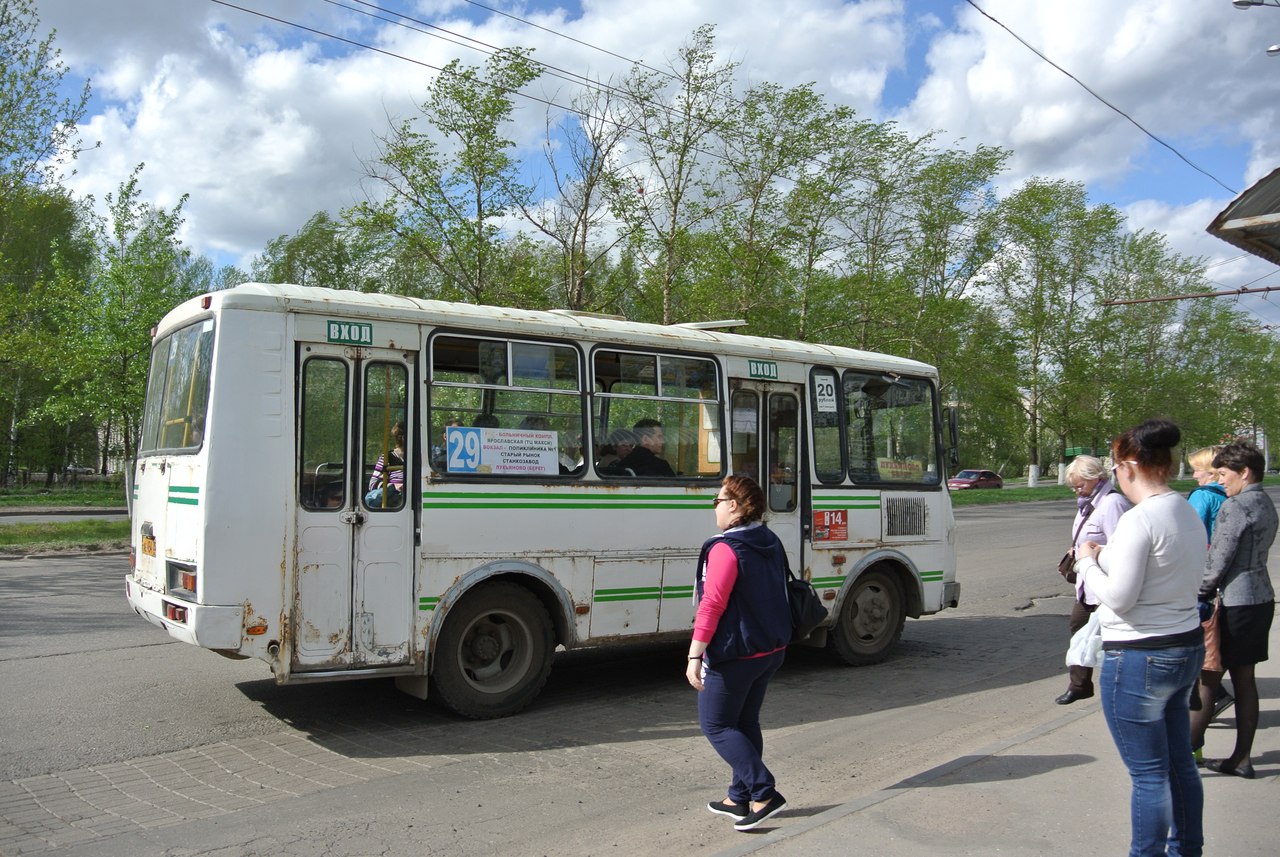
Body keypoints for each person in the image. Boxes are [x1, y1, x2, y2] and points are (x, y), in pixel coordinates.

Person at [1074, 418, 1206, 857]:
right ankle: (1186, 848)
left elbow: (1120, 597)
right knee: (1179, 764)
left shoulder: (1139, 519)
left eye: (1114, 469)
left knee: (1149, 776)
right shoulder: (1183, 508)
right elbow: (1165, 568)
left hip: (1137, 656)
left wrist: (1086, 563)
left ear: (1129, 466)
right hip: (1183, 646)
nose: (1116, 477)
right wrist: (1105, 554)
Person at [686, 475, 791, 832]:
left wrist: (694, 656)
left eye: (717, 500)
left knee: (715, 724)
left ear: (733, 506)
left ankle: (764, 792)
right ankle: (738, 797)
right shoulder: (768, 539)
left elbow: (712, 604)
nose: (713, 507)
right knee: (745, 722)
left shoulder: (724, 548)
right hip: (770, 647)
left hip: (737, 652)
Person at [1192, 440, 1277, 779]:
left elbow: (1218, 560)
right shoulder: (1264, 501)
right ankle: (1241, 757)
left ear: (1244, 472)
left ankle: (1182, 755)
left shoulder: (1236, 506)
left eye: (1224, 474)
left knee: (1208, 675)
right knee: (1244, 680)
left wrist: (1199, 593)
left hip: (1233, 602)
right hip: (1260, 599)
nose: (1220, 480)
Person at [1056, 455, 1132, 704]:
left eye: (1080, 484)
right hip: (1086, 583)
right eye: (1074, 486)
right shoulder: (1087, 503)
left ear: (1096, 478)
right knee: (1078, 627)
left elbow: (1121, 547)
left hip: (1106, 585)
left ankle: (1118, 686)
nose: (1076, 489)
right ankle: (1079, 685)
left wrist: (1094, 553)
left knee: (1109, 638)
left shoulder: (1112, 504)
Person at [1185, 445, 1232, 726]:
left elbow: (1187, 534)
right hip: (1222, 577)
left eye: (1197, 469)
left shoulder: (1202, 497)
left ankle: (1209, 699)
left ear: (1211, 471)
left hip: (1199, 577)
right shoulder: (1227, 495)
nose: (1193, 475)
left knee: (1197, 641)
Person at [365, 420, 406, 508]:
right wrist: (394, 486)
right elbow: (373, 484)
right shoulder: (388, 458)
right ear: (401, 437)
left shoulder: (422, 458)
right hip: (397, 504)